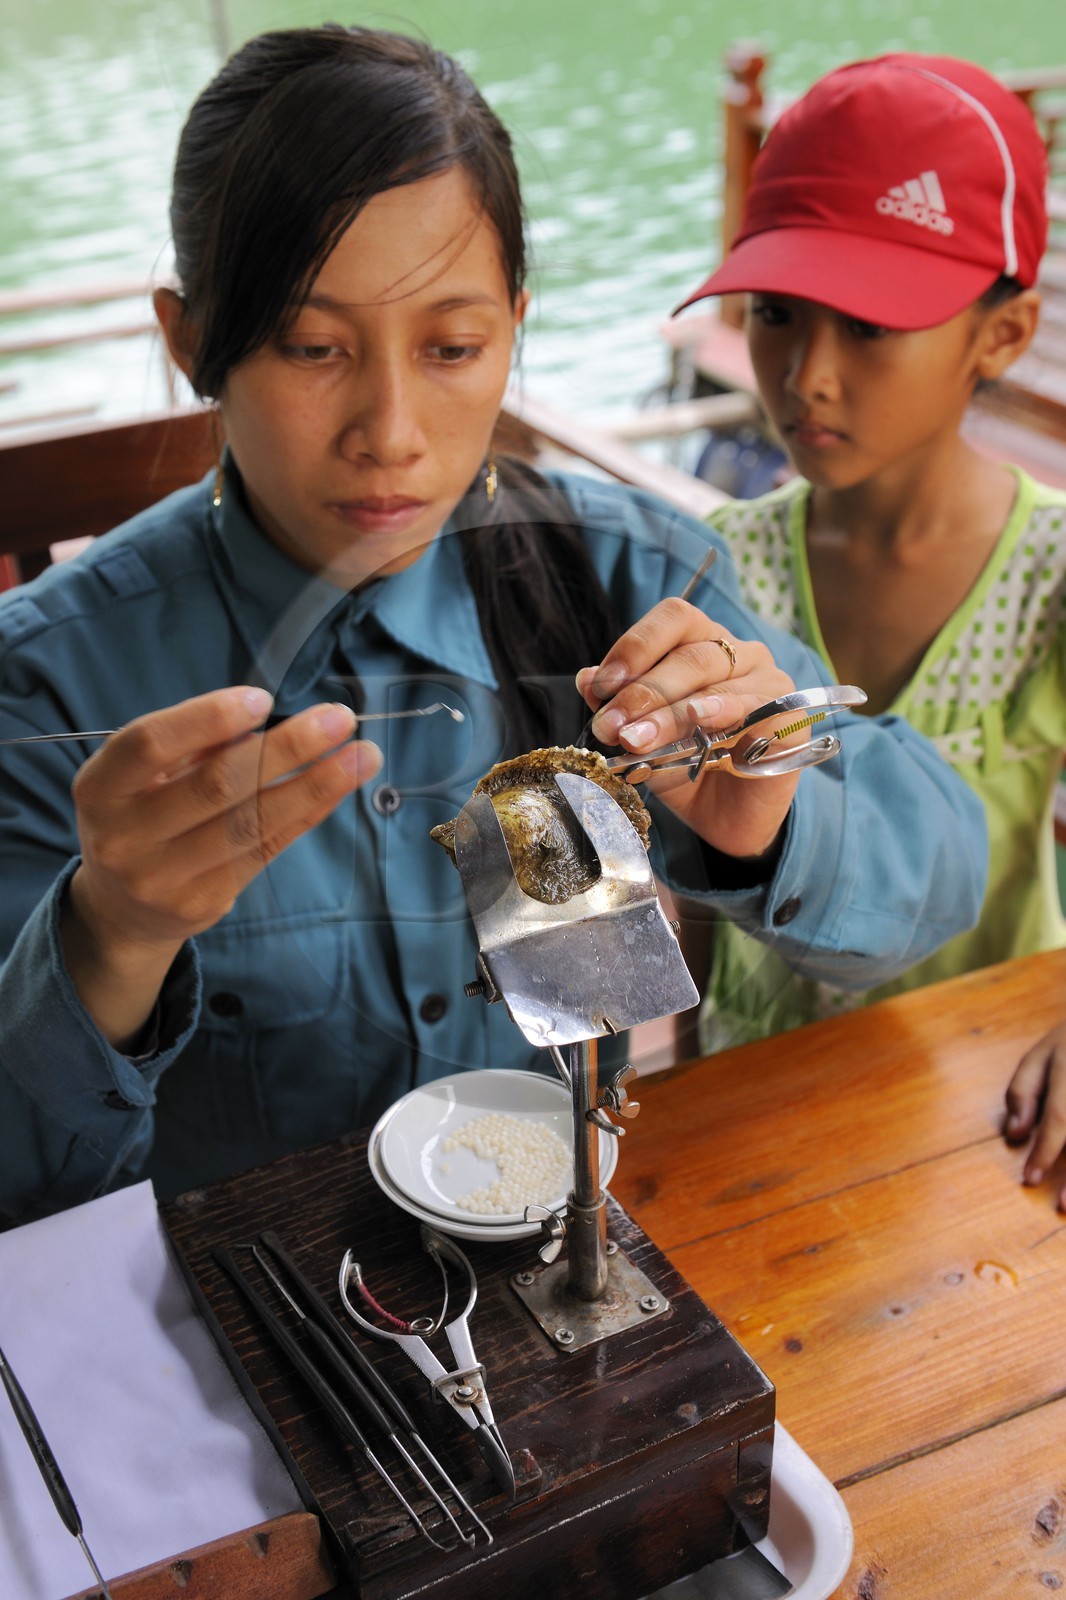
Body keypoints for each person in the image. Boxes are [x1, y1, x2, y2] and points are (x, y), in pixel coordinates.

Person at [0, 26, 988, 1224]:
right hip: (240, 1332)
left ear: (516, 324)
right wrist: (111, 937)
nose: (393, 430)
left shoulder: (618, 578)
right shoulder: (50, 684)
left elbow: (943, 869)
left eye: (454, 347)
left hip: (562, 1278)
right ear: (191, 340)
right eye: (313, 347)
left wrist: (764, 822)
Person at [678, 52, 1066, 1210]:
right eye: (776, 317)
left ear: (999, 338)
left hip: (985, 1105)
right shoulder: (719, 566)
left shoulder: (1049, 577)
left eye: (869, 328)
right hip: (749, 1076)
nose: (807, 377)